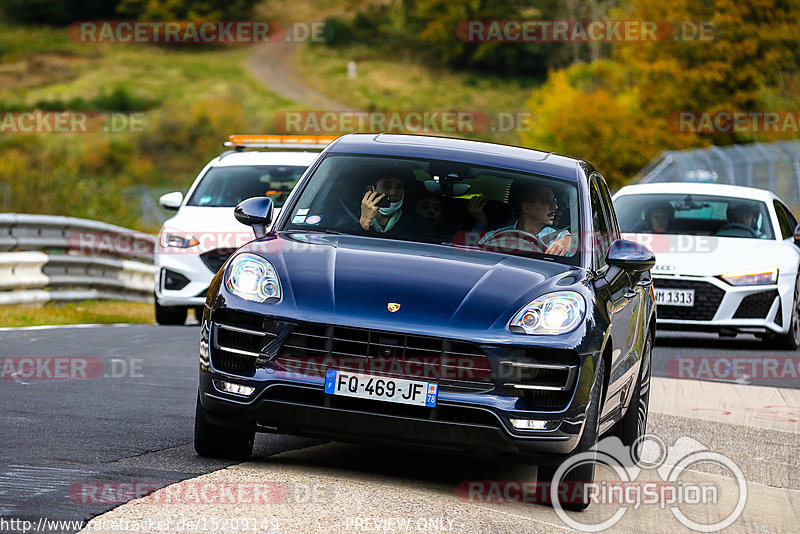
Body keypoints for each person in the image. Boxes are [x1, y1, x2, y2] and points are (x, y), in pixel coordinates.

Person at [474, 182, 571, 255]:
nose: (555, 207)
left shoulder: (561, 239)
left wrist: (572, 240)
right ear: (527, 207)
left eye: (553, 200)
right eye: (546, 201)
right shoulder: (493, 237)